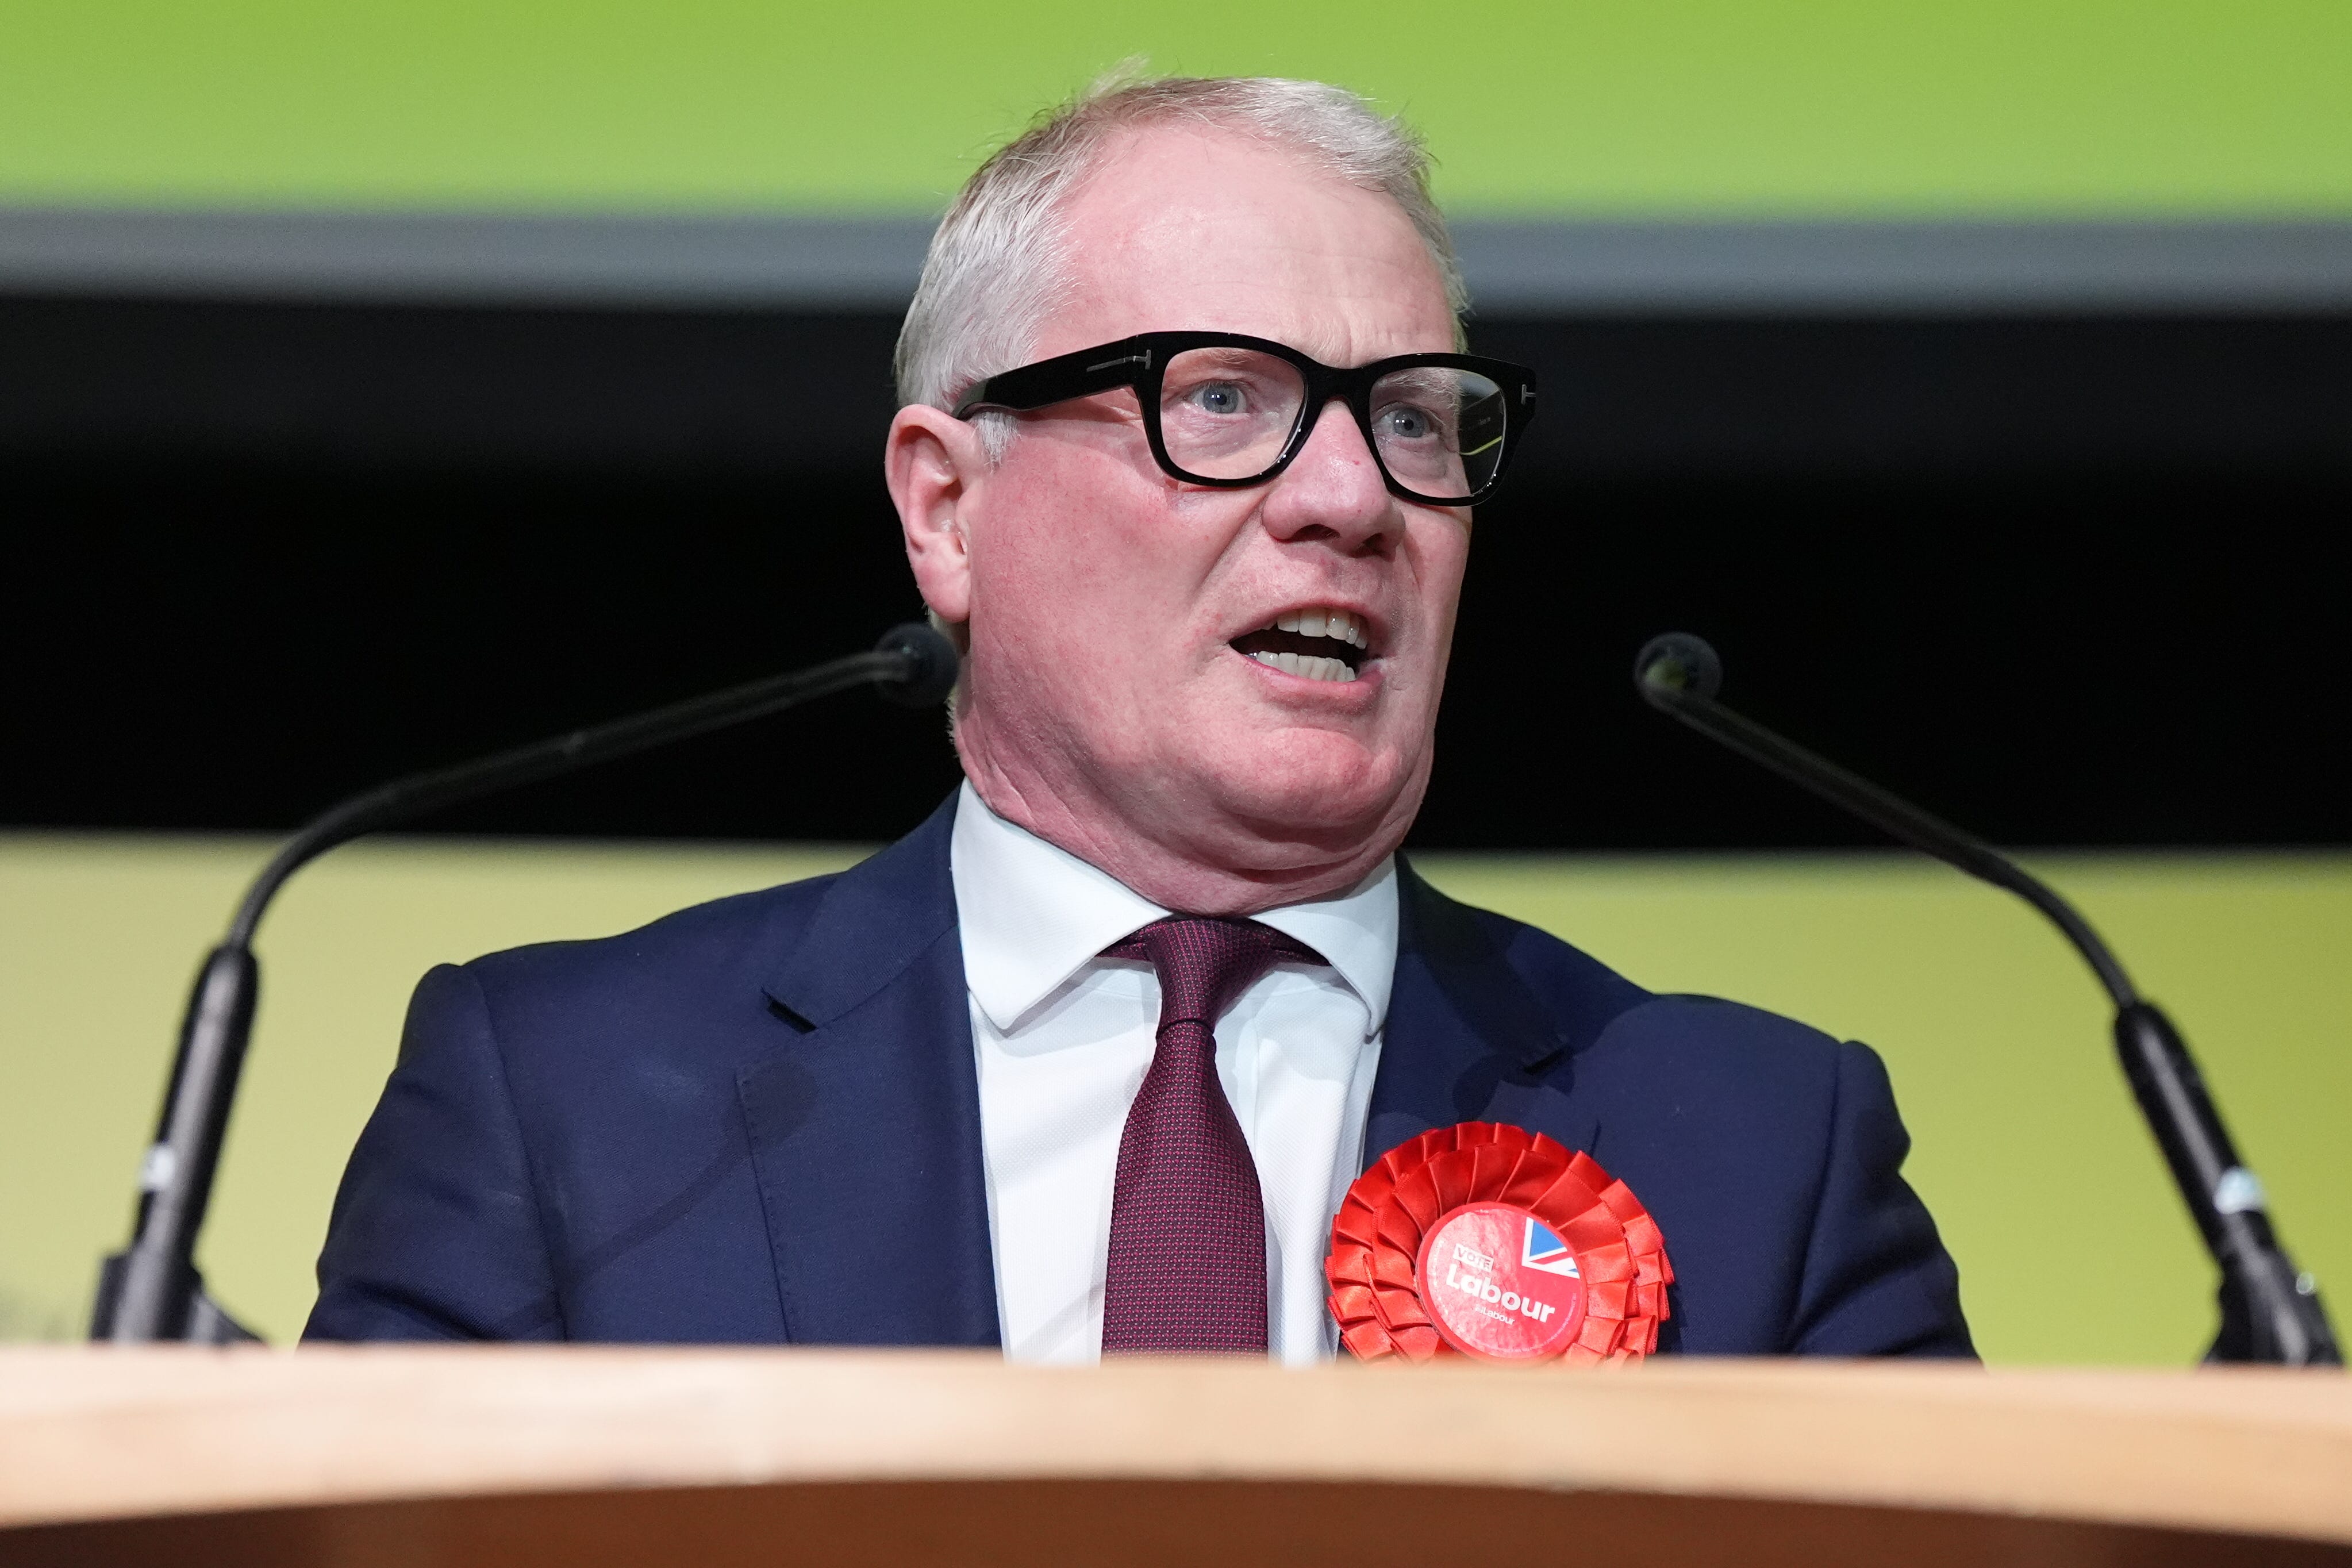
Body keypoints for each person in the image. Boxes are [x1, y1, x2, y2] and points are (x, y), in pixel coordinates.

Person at [308, 75, 1970, 1361]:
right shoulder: (563, 1094)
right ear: (947, 507)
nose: (1349, 497)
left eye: (1413, 416)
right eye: (1223, 399)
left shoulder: (1758, 1146)